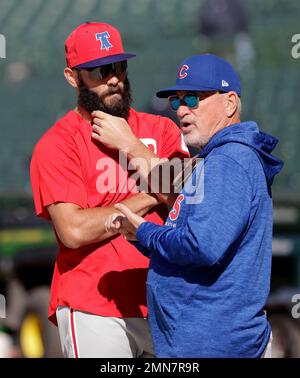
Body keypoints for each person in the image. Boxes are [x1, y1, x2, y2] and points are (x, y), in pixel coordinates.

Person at [102, 54, 284, 357]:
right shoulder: (220, 158)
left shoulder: (230, 159)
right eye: (176, 101)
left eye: (193, 98)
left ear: (230, 104)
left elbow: (202, 246)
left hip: (214, 345)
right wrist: (140, 237)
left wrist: (147, 232)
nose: (182, 108)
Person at [30, 22, 189, 358]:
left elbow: (188, 202)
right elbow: (73, 230)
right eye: (100, 70)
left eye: (119, 66)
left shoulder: (161, 129)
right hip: (94, 304)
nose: (114, 77)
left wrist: (131, 145)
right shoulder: (58, 144)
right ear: (73, 77)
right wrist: (149, 197)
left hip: (165, 301)